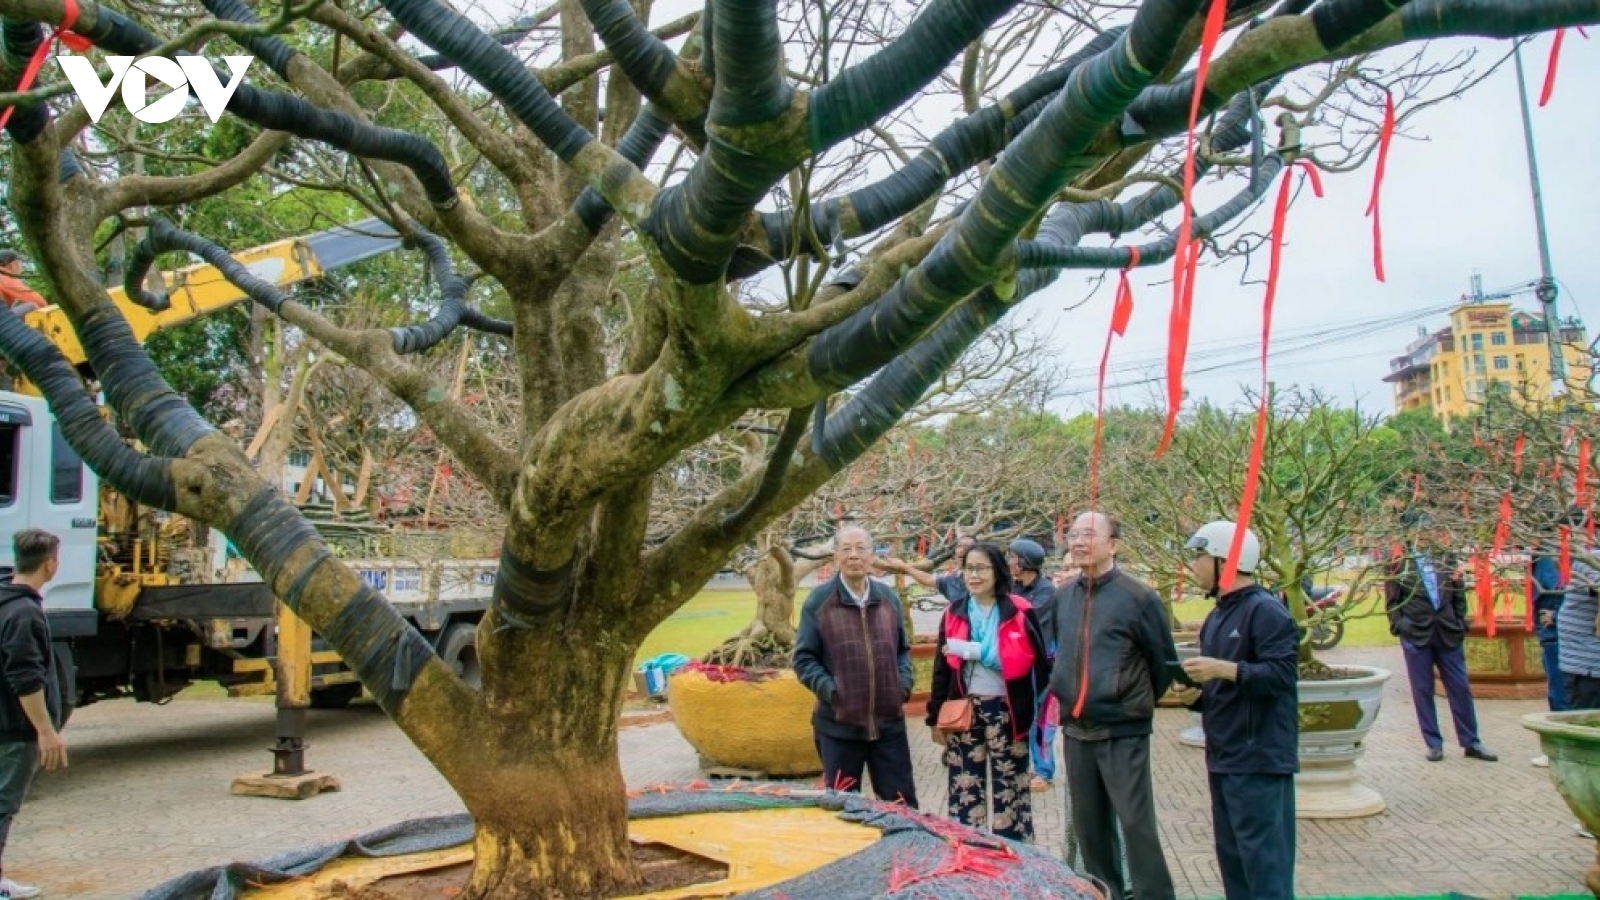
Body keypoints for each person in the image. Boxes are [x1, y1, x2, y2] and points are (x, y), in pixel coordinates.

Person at [1049, 511, 1178, 900]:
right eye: (1073, 534)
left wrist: (1130, 699)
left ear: (1114, 545)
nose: (1078, 541)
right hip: (1076, 727)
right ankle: (1108, 892)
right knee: (1089, 824)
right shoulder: (1063, 596)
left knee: (1135, 822)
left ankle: (1154, 894)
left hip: (1123, 728)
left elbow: (1163, 664)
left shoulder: (1139, 597)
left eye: (1089, 534)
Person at [1172, 521, 1299, 900]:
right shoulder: (1216, 616)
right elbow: (1226, 688)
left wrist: (1224, 670)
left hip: (1259, 756)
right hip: (1224, 754)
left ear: (1226, 560)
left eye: (1200, 556)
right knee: (1233, 858)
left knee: (1264, 863)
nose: (1194, 565)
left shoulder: (1267, 611)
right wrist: (1197, 695)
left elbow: (1282, 675)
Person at [925, 542, 1049, 841]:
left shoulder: (1019, 610)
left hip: (1008, 710)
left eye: (981, 568)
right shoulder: (954, 612)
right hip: (965, 710)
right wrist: (934, 717)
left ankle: (1015, 850)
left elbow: (1039, 664)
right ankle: (970, 848)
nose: (974, 575)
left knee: (1011, 783)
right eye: (968, 568)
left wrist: (978, 652)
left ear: (998, 571)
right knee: (965, 783)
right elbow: (942, 670)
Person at [794, 525, 918, 807]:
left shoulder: (888, 598)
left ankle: (902, 852)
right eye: (846, 549)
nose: (854, 555)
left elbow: (902, 650)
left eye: (861, 548)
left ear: (872, 555)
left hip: (889, 726)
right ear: (835, 556)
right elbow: (804, 659)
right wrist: (833, 692)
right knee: (841, 807)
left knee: (902, 806)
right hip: (839, 727)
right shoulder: (820, 601)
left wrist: (902, 686)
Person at [1384, 512, 1497, 762]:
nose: (1426, 534)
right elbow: (1392, 602)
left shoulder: (1446, 557)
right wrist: (1401, 626)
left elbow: (1459, 593)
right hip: (1416, 633)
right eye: (1421, 530)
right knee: (1422, 689)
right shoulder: (1398, 561)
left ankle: (1471, 741)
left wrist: (1459, 622)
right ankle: (1433, 742)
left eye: (1429, 529)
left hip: (1448, 632)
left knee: (1460, 687)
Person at [0, 529, 66, 900]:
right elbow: (25, 679)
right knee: (3, 807)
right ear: (51, 564)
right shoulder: (24, 613)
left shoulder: (6, 597)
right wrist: (45, 730)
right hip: (13, 730)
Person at [1005, 538, 1058, 792]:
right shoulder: (1014, 588)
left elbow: (1026, 623)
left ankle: (1044, 771)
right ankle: (1021, 765)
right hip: (1019, 664)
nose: (1009, 561)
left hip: (1044, 666)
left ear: (1025, 562)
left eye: (1013, 557)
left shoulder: (1046, 592)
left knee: (1042, 719)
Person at [878, 534, 974, 604]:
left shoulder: (985, 576)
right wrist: (903, 566)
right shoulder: (953, 579)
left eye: (967, 547)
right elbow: (928, 579)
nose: (962, 550)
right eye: (959, 546)